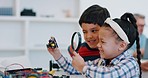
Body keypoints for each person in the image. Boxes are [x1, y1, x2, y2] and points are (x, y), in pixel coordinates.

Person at [47, 12, 141, 77]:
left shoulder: (130, 64)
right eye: (99, 41)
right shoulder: (101, 61)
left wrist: (83, 67)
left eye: (103, 42)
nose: (98, 45)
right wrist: (57, 55)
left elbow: (107, 75)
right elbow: (74, 68)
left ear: (121, 45)